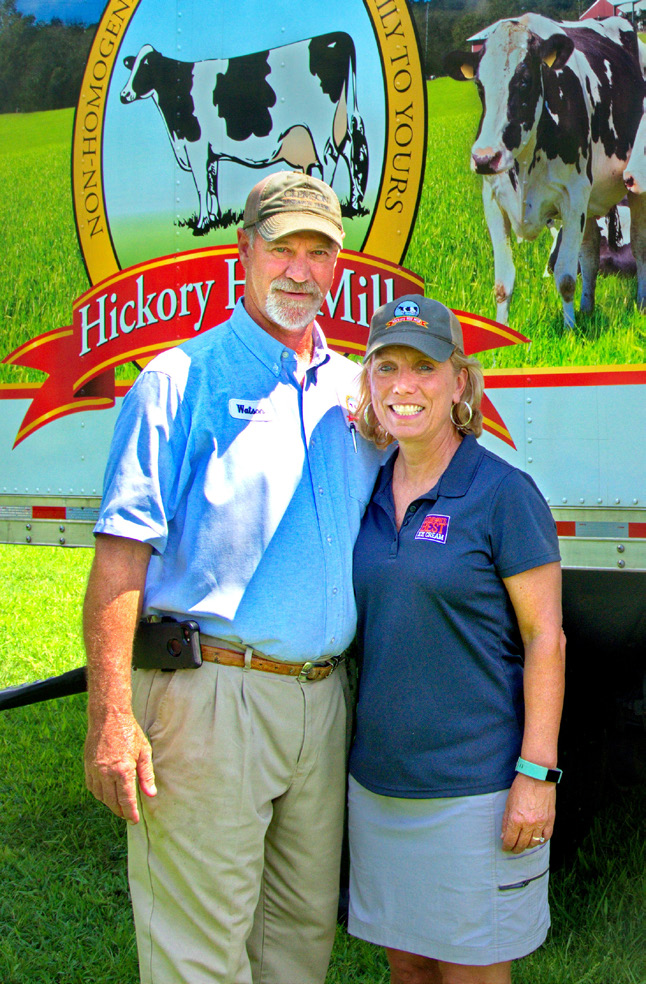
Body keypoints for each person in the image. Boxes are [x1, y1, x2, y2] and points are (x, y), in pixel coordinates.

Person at [82, 171, 382, 984]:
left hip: (321, 703)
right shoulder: (178, 384)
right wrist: (112, 717)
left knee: (298, 945)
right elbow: (119, 560)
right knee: (200, 958)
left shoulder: (358, 394)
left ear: (338, 268)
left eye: (318, 252)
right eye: (281, 247)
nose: (299, 270)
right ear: (241, 252)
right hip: (211, 698)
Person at [347, 295, 566, 984]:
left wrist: (536, 776)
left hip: (474, 789)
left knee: (469, 971)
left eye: (424, 367)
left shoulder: (503, 493)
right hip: (379, 786)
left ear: (459, 382)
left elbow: (546, 640)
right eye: (387, 368)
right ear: (370, 382)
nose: (404, 386)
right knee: (408, 967)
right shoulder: (372, 490)